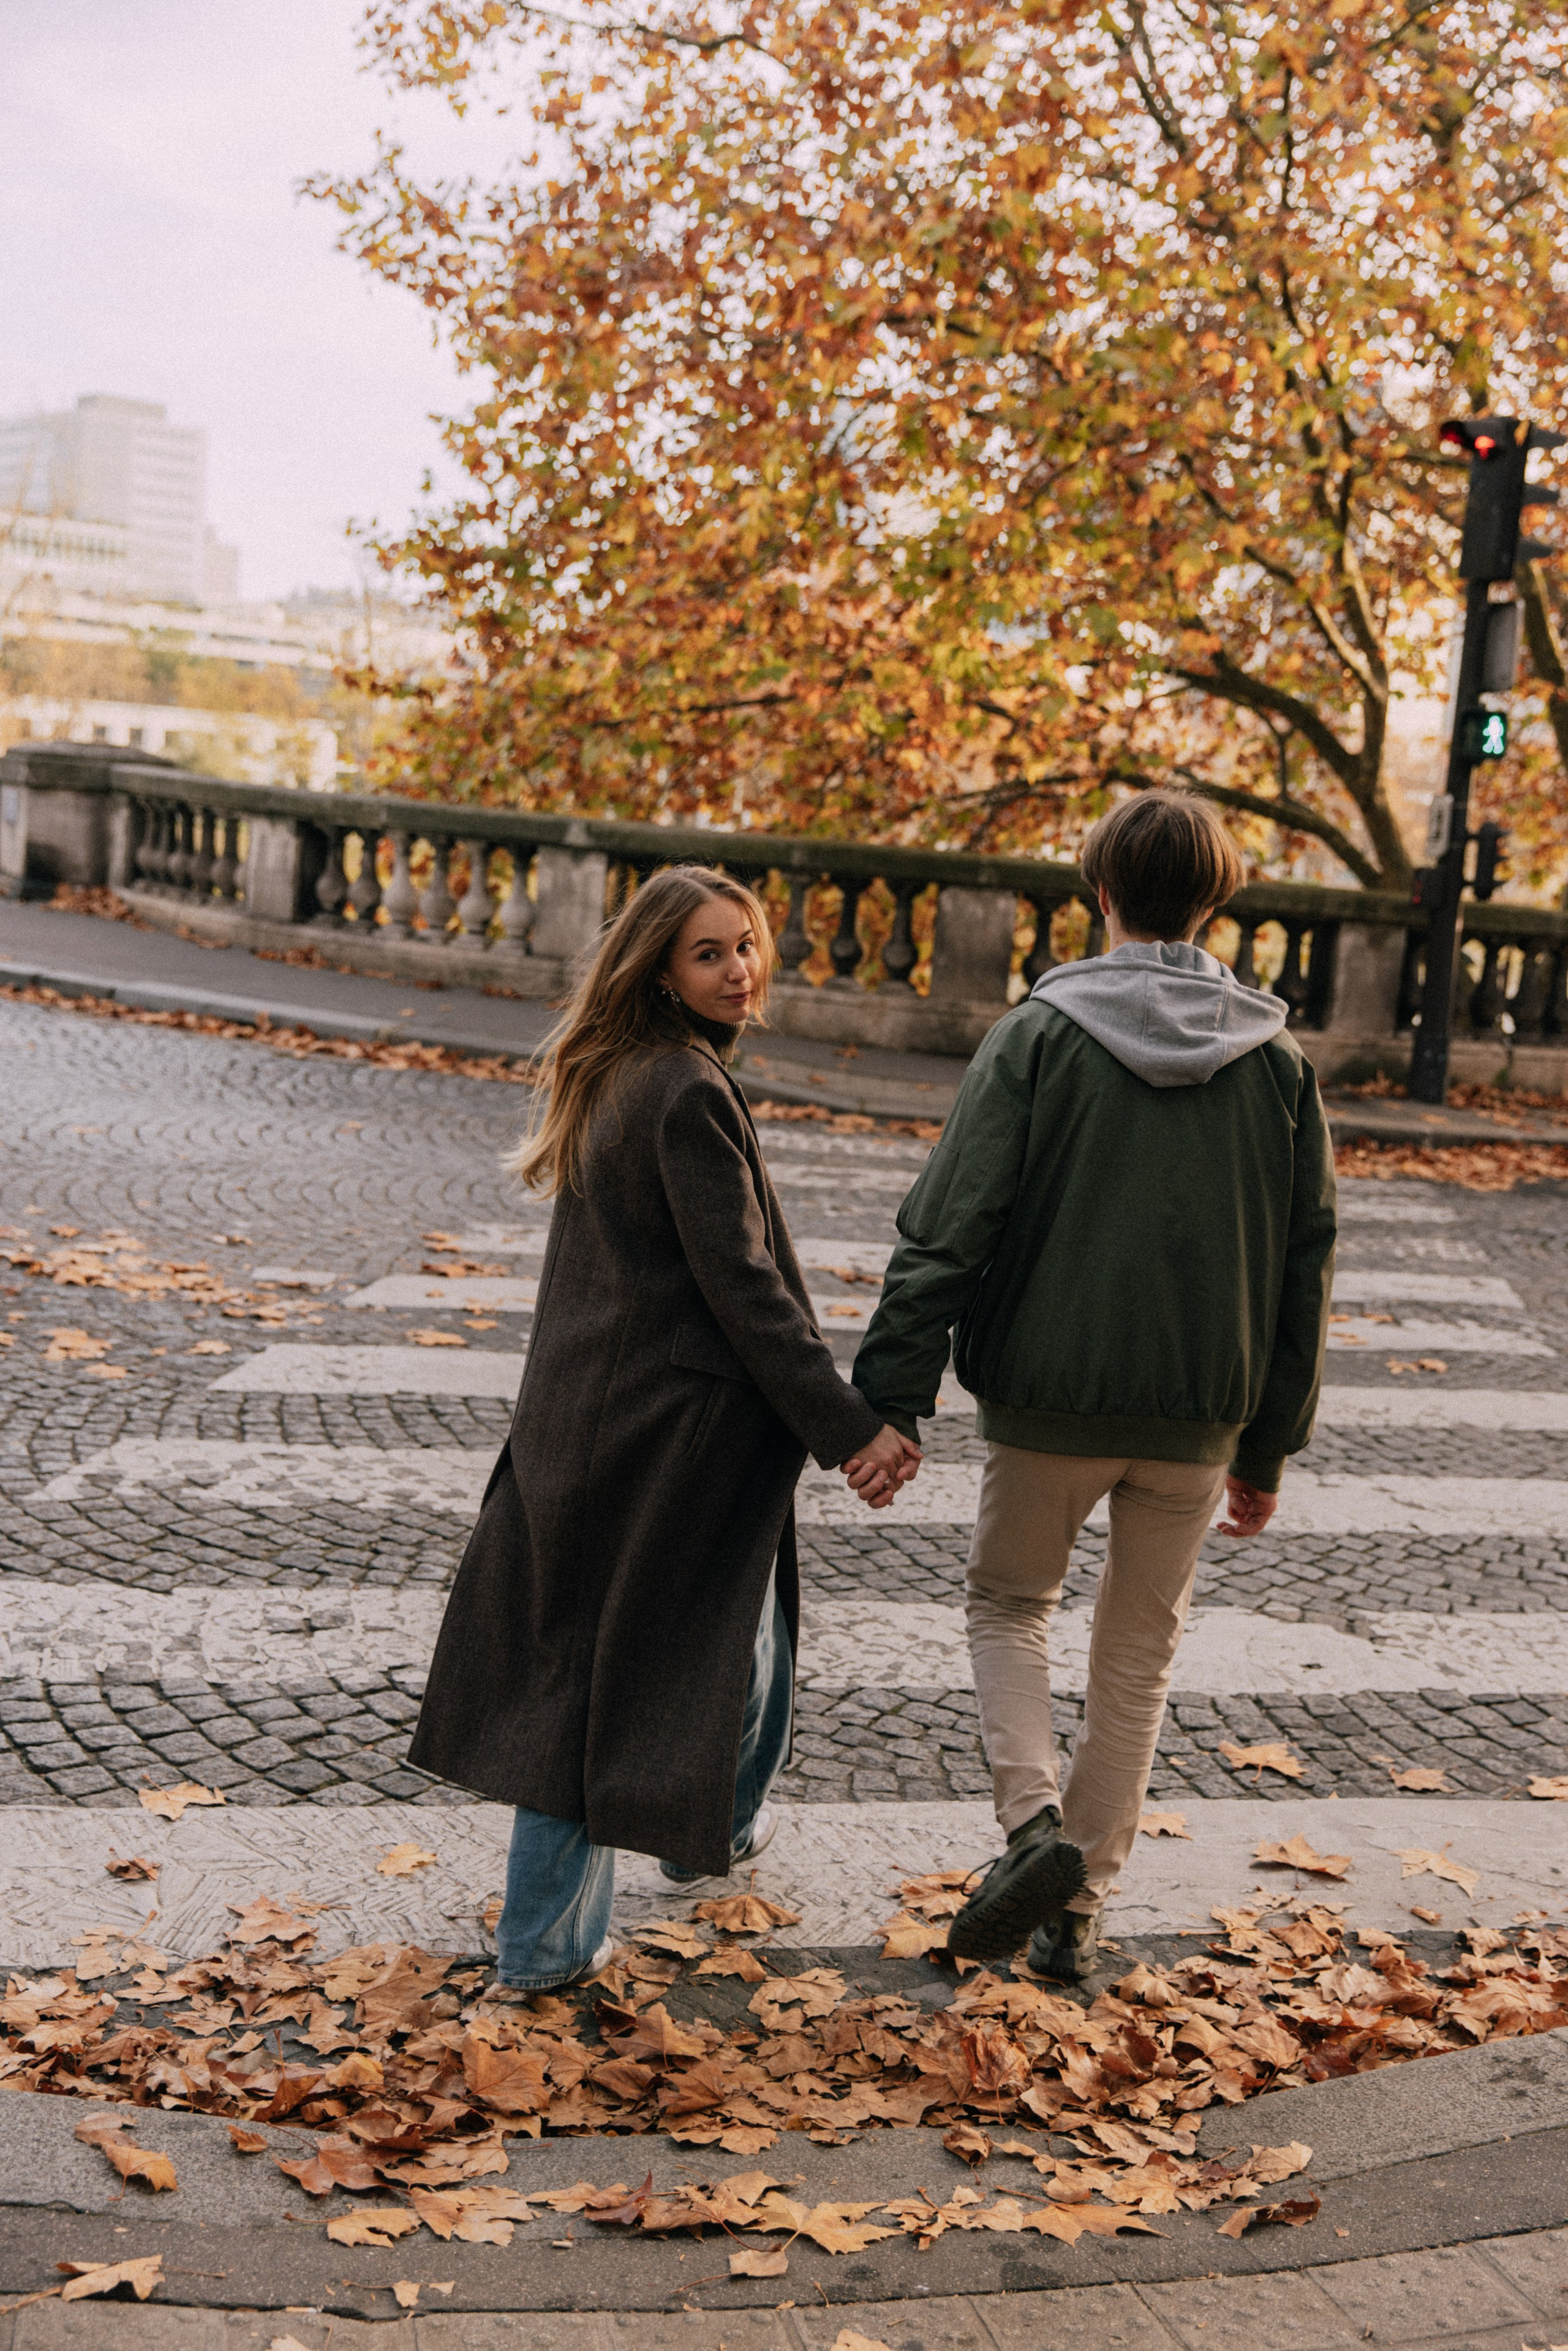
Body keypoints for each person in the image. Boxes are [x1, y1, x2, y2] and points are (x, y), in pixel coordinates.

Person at [409, 864, 922, 1994]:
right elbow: (745, 1288)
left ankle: (711, 1827)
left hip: (606, 1414)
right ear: (659, 971)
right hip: (659, 1435)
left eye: (746, 944)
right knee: (594, 1685)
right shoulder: (681, 1089)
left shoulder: (632, 1069)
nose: (740, 969)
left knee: (747, 1642)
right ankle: (544, 1951)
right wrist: (850, 1429)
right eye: (709, 953)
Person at [852, 791, 1336, 1978]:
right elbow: (1303, 1266)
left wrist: (894, 1393)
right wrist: (1267, 1447)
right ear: (1214, 900)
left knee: (1008, 1605)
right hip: (1197, 1417)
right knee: (1137, 1657)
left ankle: (1031, 1831)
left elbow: (948, 1225)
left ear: (1100, 891)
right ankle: (1078, 1907)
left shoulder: (1037, 1036)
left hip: (1045, 1398)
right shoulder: (1277, 1065)